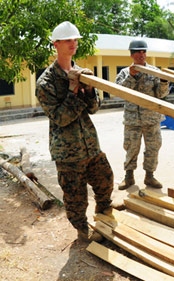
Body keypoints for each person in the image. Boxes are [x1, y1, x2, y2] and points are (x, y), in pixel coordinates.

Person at [35, 21, 117, 242]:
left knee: (105, 179)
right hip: (67, 151)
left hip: (90, 144)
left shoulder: (82, 73)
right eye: (68, 40)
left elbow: (93, 108)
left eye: (75, 40)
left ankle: (104, 211)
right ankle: (82, 229)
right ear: (56, 44)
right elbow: (60, 118)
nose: (73, 43)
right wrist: (72, 91)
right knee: (75, 196)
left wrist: (89, 90)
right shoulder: (46, 82)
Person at [115, 39, 169, 190]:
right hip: (132, 120)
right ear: (132, 54)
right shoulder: (124, 73)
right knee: (131, 148)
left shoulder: (154, 72)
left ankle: (149, 176)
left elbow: (160, 94)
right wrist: (131, 76)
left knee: (153, 147)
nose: (141, 54)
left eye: (143, 51)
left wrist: (164, 82)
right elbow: (119, 92)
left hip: (152, 118)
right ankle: (129, 176)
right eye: (138, 51)